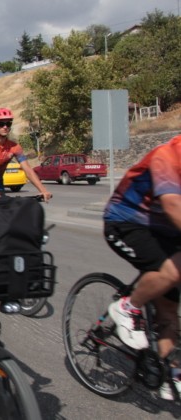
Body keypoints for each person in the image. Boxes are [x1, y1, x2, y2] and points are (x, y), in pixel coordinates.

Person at [104, 136, 181, 398]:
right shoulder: (166, 155)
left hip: (166, 232)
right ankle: (127, 306)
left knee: (169, 310)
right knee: (171, 271)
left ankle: (170, 372)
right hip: (126, 221)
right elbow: (173, 205)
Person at [0, 107, 52, 202]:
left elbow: (27, 169)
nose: (5, 127)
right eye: (1, 124)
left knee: (4, 211)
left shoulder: (15, 147)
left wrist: (43, 190)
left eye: (8, 124)